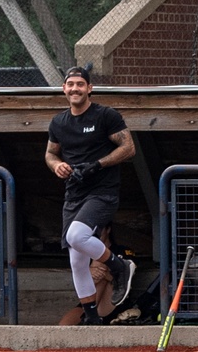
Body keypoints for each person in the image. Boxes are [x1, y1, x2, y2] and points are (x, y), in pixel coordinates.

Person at [45, 66, 137, 325]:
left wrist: (97, 164)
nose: (75, 88)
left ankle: (119, 267)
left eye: (80, 84)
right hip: (73, 193)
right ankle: (92, 318)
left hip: (102, 192)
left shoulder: (105, 115)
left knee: (77, 236)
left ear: (89, 88)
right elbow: (50, 153)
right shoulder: (59, 122)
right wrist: (56, 165)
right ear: (64, 89)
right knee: (76, 258)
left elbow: (128, 148)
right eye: (70, 84)